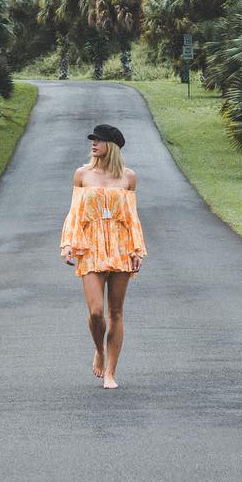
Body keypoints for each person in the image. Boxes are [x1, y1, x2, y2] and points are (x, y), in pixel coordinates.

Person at [59, 122, 147, 389]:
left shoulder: (128, 177)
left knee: (116, 312)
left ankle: (110, 372)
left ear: (112, 146)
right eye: (92, 140)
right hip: (92, 246)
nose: (93, 144)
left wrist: (137, 250)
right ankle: (99, 348)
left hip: (120, 247)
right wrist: (68, 244)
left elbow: (132, 218)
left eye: (98, 140)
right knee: (97, 312)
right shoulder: (82, 174)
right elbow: (75, 212)